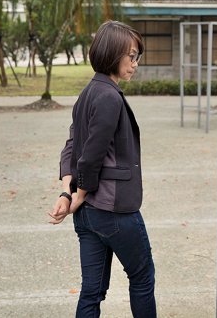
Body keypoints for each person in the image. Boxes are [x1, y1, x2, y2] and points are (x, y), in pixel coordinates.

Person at [48, 20, 156, 318]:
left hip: (87, 216)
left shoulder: (88, 92)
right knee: (143, 277)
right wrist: (79, 192)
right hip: (114, 209)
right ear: (113, 53)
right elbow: (90, 155)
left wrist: (67, 193)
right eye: (131, 55)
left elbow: (72, 146)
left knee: (92, 291)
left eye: (137, 57)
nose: (135, 63)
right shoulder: (109, 96)